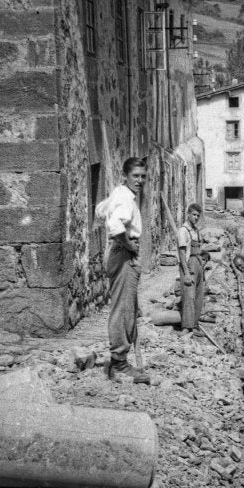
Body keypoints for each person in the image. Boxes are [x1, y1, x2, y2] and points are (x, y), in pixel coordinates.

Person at [97, 156, 150, 381]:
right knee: (123, 309)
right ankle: (119, 363)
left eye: (143, 176)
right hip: (123, 253)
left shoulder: (123, 194)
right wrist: (130, 246)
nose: (140, 180)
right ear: (125, 176)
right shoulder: (124, 198)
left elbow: (102, 211)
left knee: (127, 307)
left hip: (122, 252)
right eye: (135, 176)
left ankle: (120, 361)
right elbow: (115, 225)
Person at [177, 203, 208, 336]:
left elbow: (199, 248)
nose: (196, 218)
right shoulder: (183, 231)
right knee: (188, 295)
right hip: (189, 264)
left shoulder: (196, 230)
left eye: (197, 216)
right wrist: (187, 273)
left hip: (198, 262)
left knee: (199, 295)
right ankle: (186, 327)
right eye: (194, 215)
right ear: (188, 214)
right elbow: (182, 253)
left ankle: (194, 326)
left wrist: (204, 257)